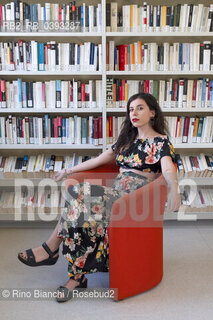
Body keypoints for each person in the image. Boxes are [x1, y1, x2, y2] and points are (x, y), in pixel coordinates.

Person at [17, 92, 181, 302]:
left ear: (152, 112)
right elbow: (98, 160)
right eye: (131, 109)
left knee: (79, 195)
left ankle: (52, 250)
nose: (134, 113)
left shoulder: (160, 142)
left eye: (140, 108)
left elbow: (168, 167)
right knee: (79, 207)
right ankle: (75, 277)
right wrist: (68, 171)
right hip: (115, 194)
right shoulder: (126, 140)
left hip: (134, 199)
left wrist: (174, 188)